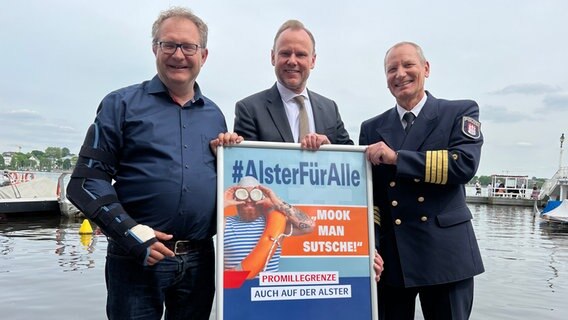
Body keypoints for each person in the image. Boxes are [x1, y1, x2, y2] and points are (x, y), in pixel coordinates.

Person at [66, 7, 242, 320]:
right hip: (135, 259)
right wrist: (130, 233)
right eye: (168, 45)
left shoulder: (214, 114)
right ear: (154, 49)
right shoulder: (120, 104)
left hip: (200, 259)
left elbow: (222, 182)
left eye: (188, 47)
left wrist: (230, 157)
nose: (179, 55)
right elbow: (84, 183)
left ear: (203, 55)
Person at [359, 41, 484, 320]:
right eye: (392, 69)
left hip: (446, 256)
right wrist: (371, 247)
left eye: (408, 65)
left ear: (425, 68)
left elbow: (463, 165)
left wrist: (397, 158)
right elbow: (373, 198)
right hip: (393, 259)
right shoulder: (371, 128)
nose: (400, 74)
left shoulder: (459, 112)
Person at [233, 19, 353, 149]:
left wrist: (329, 149)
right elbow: (247, 162)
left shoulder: (330, 109)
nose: (292, 61)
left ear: (312, 61)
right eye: (285, 53)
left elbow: (351, 158)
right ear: (273, 57)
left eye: (301, 55)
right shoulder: (249, 110)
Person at [223, 176, 314, 277]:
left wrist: (276, 201)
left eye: (255, 194)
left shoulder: (277, 223)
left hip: (266, 291)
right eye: (243, 194)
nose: (249, 200)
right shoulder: (224, 224)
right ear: (236, 197)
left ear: (261, 197)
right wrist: (222, 203)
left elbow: (309, 226)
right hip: (234, 290)